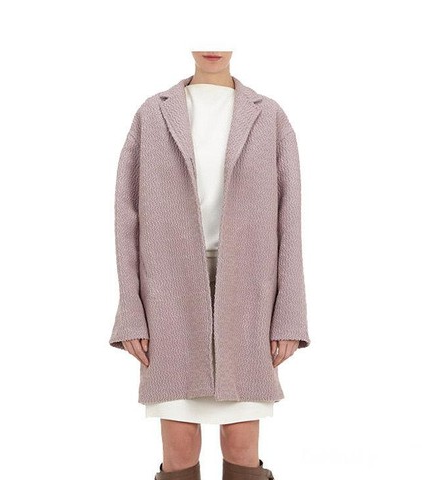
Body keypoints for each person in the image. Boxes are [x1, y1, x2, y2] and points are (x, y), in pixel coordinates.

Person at [109, 51, 310, 480]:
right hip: (169, 292)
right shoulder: (152, 114)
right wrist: (130, 312)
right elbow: (126, 218)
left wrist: (290, 314)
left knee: (241, 443)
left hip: (249, 291)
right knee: (179, 447)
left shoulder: (269, 116)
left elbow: (289, 219)